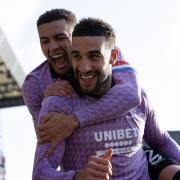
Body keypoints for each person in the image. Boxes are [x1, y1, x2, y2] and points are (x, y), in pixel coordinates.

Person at [32, 17, 180, 180]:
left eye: (94, 56)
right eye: (77, 56)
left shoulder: (137, 96)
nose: (84, 67)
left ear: (113, 56)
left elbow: (162, 142)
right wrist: (78, 177)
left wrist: (75, 120)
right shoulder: (59, 104)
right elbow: (40, 173)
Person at [22, 8, 141, 152]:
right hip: (82, 160)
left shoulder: (105, 53)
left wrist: (73, 120)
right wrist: (49, 102)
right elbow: (46, 137)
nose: (53, 47)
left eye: (60, 38)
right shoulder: (34, 84)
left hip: (133, 145)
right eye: (45, 41)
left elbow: (132, 95)